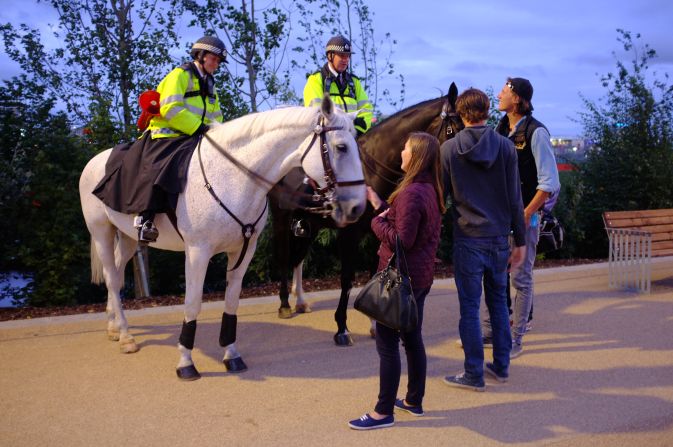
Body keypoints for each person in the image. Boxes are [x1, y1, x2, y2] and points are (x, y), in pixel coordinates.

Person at [348, 132, 445, 430]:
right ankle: (414, 401)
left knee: (387, 343)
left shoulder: (412, 193)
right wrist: (383, 208)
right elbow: (406, 226)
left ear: (415, 156)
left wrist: (376, 221)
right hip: (419, 276)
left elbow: (403, 241)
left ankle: (382, 412)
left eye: (405, 149)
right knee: (412, 339)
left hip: (401, 279)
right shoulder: (429, 189)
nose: (401, 152)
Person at [92, 35, 227, 243]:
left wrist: (220, 132)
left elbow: (216, 115)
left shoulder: (210, 83)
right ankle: (145, 219)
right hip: (168, 133)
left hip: (196, 134)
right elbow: (170, 107)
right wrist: (198, 127)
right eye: (214, 59)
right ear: (200, 55)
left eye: (218, 61)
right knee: (161, 165)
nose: (216, 64)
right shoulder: (180, 74)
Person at [440, 88, 526, 391]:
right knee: (500, 306)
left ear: (461, 114)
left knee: (469, 308)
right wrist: (522, 241)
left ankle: (473, 373)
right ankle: (501, 367)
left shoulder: (448, 150)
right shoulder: (505, 147)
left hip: (468, 238)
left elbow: (442, 199)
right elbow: (516, 198)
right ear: (488, 111)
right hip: (500, 239)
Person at [481, 78, 561, 358]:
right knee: (495, 273)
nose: (499, 94)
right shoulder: (500, 128)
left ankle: (516, 340)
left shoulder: (536, 132)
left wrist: (525, 216)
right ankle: (493, 331)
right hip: (499, 217)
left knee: (521, 278)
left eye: (504, 91)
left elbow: (549, 183)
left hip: (527, 217)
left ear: (517, 99)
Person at [303, 35, 373, 136]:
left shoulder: (354, 81)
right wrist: (343, 126)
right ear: (330, 56)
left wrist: (358, 128)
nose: (346, 59)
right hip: (327, 138)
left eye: (348, 56)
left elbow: (367, 109)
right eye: (341, 55)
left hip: (352, 136)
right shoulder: (315, 80)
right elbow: (315, 113)